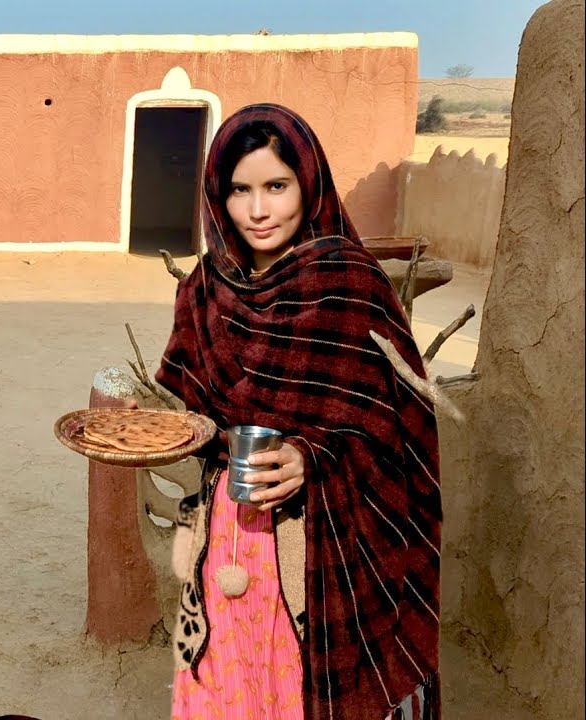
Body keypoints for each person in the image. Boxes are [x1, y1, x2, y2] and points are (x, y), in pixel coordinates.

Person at [156, 104, 441, 720]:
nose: (258, 210)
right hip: (225, 540)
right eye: (239, 190)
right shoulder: (203, 289)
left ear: (308, 184)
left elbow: (400, 430)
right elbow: (195, 414)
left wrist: (313, 459)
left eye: (276, 186)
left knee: (299, 693)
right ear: (217, 197)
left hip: (320, 552)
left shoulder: (350, 285)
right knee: (225, 685)